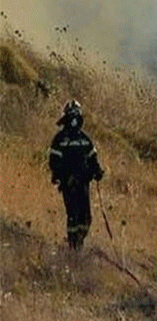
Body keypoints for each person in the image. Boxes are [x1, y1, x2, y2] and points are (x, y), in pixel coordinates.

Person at [48, 100, 104, 250]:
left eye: (76, 116)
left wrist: (97, 171)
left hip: (84, 183)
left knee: (86, 218)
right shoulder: (60, 139)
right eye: (71, 116)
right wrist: (63, 177)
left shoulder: (85, 139)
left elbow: (93, 159)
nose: (74, 120)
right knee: (73, 216)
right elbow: (54, 162)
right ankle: (73, 246)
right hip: (68, 184)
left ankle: (79, 242)